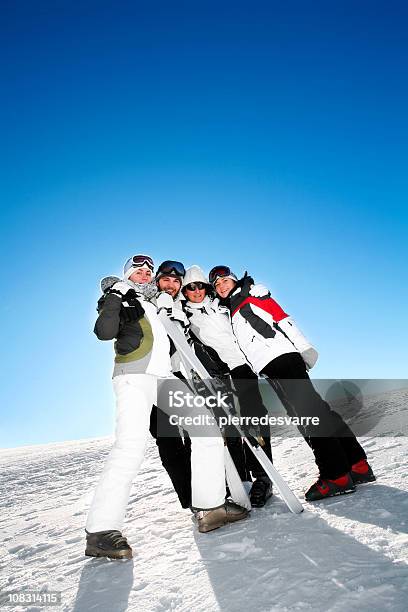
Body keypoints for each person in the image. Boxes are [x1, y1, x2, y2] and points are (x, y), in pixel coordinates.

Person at [85, 255, 248, 560]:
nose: (145, 274)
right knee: (129, 447)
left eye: (149, 270)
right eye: (138, 271)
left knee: (207, 429)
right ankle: (101, 531)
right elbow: (104, 332)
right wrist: (115, 295)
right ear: (128, 275)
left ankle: (210, 507)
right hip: (133, 376)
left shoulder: (155, 302)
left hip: (164, 378)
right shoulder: (118, 296)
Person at [209, 265, 376, 502]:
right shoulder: (234, 308)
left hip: (280, 359)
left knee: (308, 415)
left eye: (225, 280)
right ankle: (357, 464)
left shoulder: (251, 295)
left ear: (235, 281)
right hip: (273, 363)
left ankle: (335, 476)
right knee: (317, 410)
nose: (222, 286)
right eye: (217, 285)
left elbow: (283, 319)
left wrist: (305, 348)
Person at [182, 265, 274, 507]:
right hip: (219, 372)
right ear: (185, 291)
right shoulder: (185, 316)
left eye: (200, 286)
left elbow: (243, 299)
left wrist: (250, 287)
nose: (196, 291)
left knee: (255, 417)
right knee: (227, 424)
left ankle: (263, 476)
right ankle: (240, 479)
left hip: (244, 364)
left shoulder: (221, 304)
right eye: (190, 287)